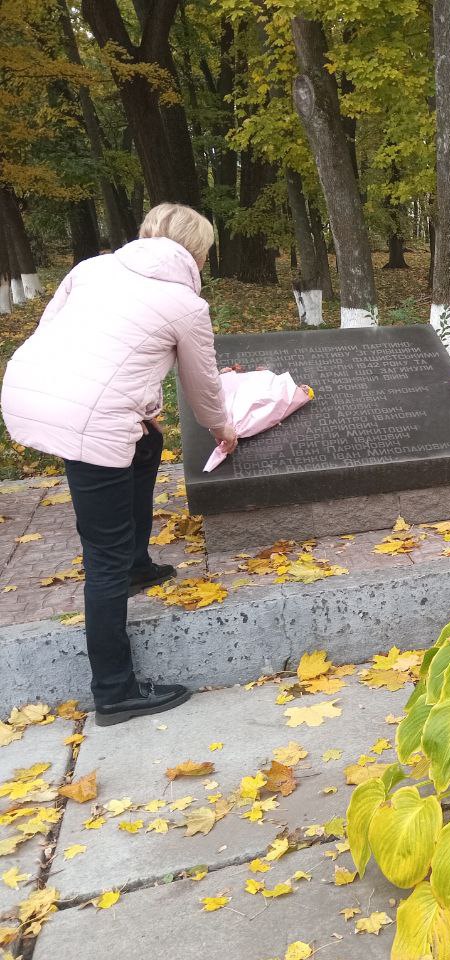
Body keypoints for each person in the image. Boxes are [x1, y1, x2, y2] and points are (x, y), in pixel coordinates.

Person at [2, 204, 238, 725]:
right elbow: (202, 388)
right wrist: (224, 428)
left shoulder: (91, 268)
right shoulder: (184, 303)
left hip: (36, 389)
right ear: (197, 251)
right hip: (89, 416)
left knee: (147, 443)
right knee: (101, 555)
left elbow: (53, 330)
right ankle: (115, 690)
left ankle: (136, 565)